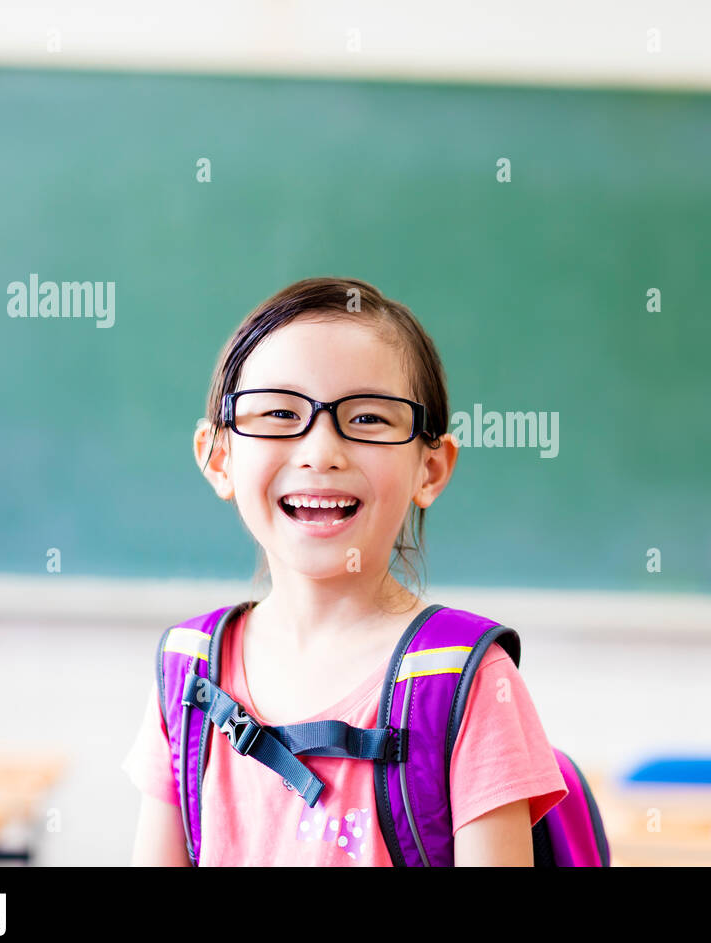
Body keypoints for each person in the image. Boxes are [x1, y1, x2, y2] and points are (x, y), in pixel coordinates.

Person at [123, 276, 567, 865]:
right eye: (281, 413)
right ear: (218, 456)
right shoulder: (188, 673)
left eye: (368, 419)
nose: (321, 450)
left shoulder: (467, 681)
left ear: (430, 469)